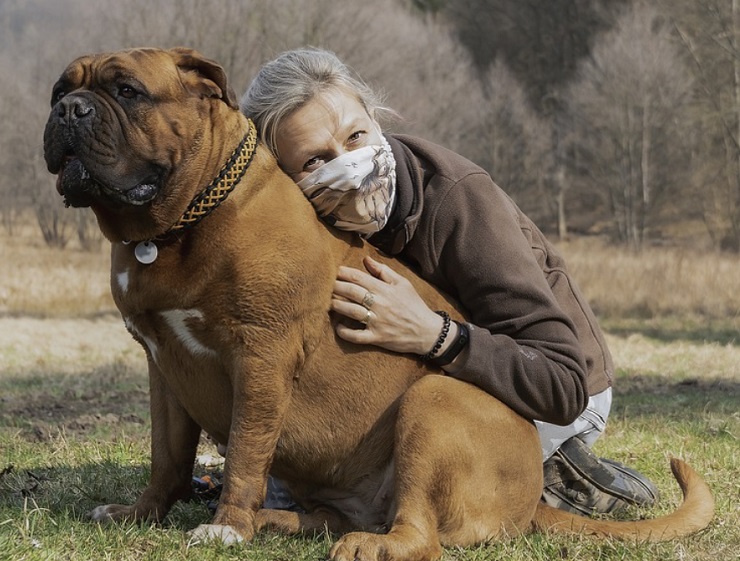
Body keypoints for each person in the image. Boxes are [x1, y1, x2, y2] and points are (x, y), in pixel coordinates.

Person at [240, 47, 658, 515]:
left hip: (557, 391)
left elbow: (560, 383)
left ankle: (552, 475)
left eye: (356, 136)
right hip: (426, 386)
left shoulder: (458, 200)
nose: (349, 166)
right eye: (316, 161)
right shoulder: (301, 223)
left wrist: (433, 334)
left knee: (411, 493)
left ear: (377, 119)